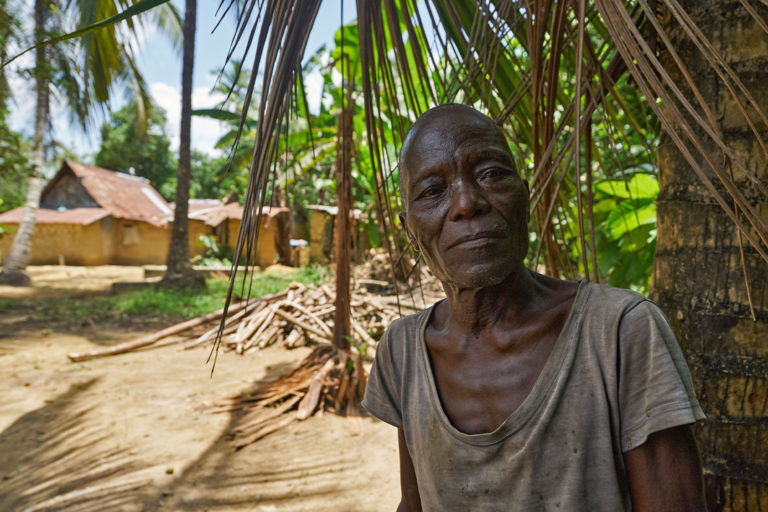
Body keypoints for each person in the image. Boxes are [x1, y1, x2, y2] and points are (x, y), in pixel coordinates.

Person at [361, 104, 707, 511]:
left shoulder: (618, 331)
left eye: (490, 174)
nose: (466, 203)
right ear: (411, 231)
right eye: (433, 191)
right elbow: (414, 503)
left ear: (524, 198)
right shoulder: (403, 353)